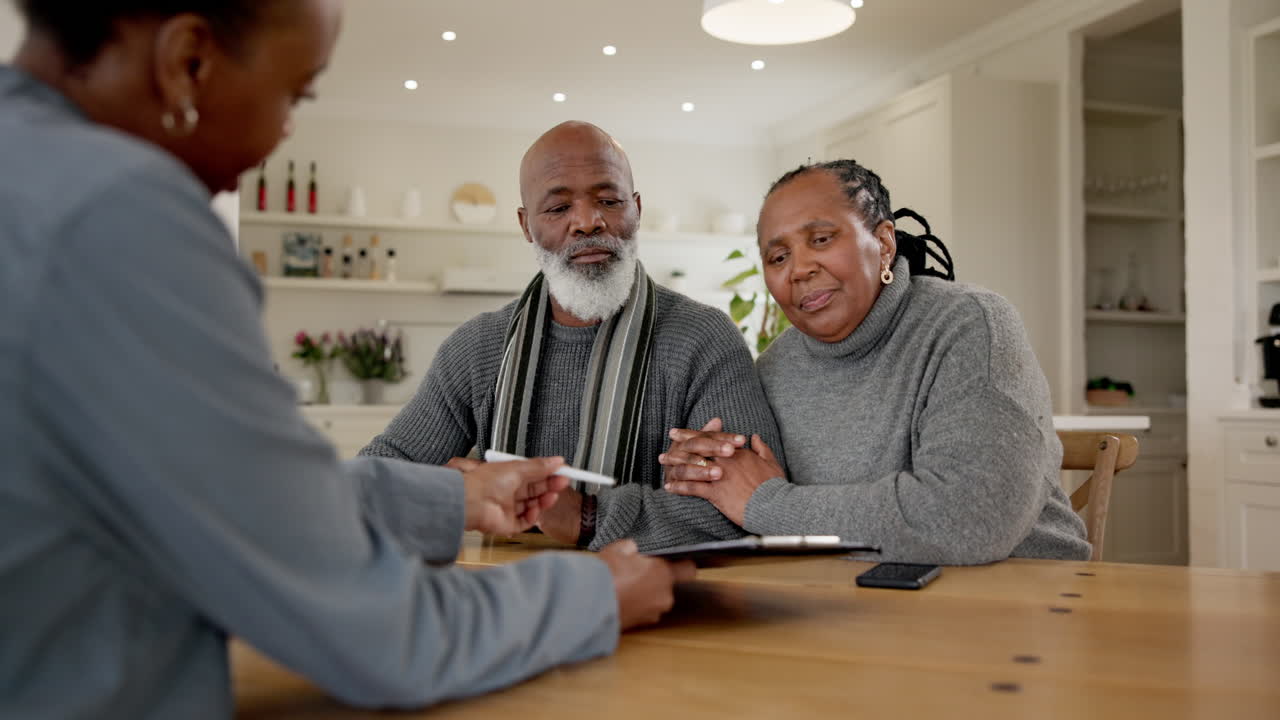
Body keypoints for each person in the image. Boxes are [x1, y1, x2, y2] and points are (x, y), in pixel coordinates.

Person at [0, 2, 693, 718]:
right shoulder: (117, 215)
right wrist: (591, 595)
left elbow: (251, 494)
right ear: (188, 63)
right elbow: (370, 626)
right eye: (295, 96)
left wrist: (458, 498)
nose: (286, 131)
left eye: (608, 199)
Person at [361, 121, 783, 550]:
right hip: (510, 598)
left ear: (636, 209)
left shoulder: (704, 339)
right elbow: (375, 478)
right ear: (526, 226)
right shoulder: (477, 348)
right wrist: (447, 494)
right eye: (559, 208)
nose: (586, 221)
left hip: (670, 604)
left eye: (608, 200)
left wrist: (586, 516)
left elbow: (748, 508)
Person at [659, 159, 1090, 565]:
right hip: (859, 604)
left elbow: (969, 519)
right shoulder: (774, 367)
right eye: (778, 257)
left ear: (884, 244)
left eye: (821, 239)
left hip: (1021, 600)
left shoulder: (968, 326)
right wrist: (702, 471)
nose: (799, 269)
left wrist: (767, 503)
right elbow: (735, 496)